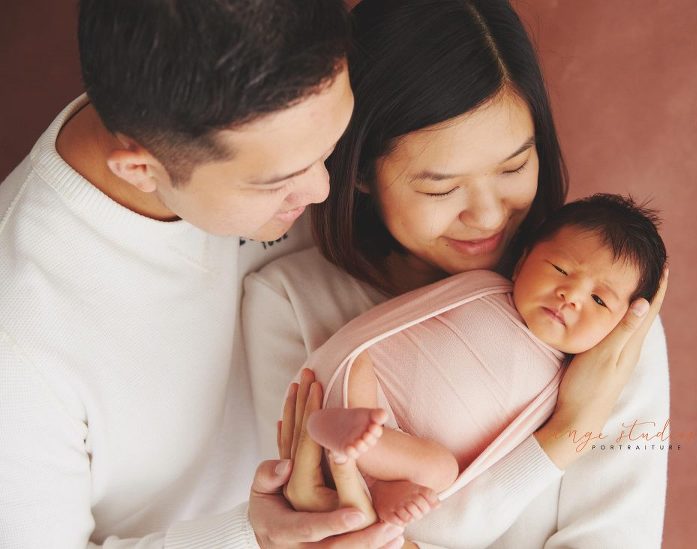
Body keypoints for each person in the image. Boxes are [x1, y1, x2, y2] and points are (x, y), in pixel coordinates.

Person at [243, 0, 670, 547]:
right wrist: (567, 432)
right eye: (441, 188)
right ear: (359, 172)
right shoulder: (289, 302)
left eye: (515, 166)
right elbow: (330, 524)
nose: (488, 216)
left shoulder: (599, 316)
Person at [0, 1, 404, 547]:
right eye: (276, 181)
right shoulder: (18, 338)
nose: (322, 190)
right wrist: (253, 538)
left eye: (329, 147)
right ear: (140, 169)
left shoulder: (279, 119)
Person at [300, 194, 668, 526]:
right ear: (522, 261)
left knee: (441, 470)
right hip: (364, 390)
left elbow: (487, 464)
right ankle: (347, 429)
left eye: (599, 300)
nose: (570, 295)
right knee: (359, 362)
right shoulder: (481, 288)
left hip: (398, 458)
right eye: (561, 269)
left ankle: (374, 475)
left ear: (621, 327)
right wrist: (349, 353)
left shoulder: (564, 386)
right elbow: (391, 322)